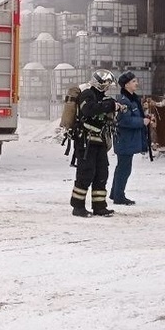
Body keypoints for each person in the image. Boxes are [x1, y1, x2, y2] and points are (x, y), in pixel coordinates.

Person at [70, 69, 121, 218]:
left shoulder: (102, 97)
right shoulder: (87, 94)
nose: (107, 88)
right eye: (106, 85)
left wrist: (113, 107)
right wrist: (110, 106)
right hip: (85, 141)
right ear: (99, 83)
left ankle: (100, 206)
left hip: (99, 141)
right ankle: (78, 207)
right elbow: (88, 110)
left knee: (101, 173)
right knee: (85, 174)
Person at [110, 71, 150, 205]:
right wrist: (141, 122)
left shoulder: (133, 99)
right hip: (124, 140)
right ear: (126, 85)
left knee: (122, 167)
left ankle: (115, 193)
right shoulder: (124, 101)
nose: (136, 83)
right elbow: (123, 121)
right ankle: (119, 196)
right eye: (133, 81)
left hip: (128, 140)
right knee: (124, 168)